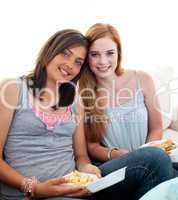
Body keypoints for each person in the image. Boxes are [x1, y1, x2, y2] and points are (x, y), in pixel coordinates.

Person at [0, 29, 100, 200]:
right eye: (65, 54)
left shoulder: (76, 100)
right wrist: (35, 188)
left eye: (78, 62)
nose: (70, 65)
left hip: (72, 190)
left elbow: (81, 156)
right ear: (50, 51)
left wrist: (87, 169)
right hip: (27, 194)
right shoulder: (13, 88)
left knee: (151, 159)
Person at [78, 23, 174, 199]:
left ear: (118, 53)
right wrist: (115, 153)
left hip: (150, 158)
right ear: (86, 57)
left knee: (166, 168)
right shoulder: (83, 93)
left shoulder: (142, 79)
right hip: (111, 165)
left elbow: (156, 128)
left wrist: (146, 151)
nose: (103, 61)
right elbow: (91, 146)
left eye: (109, 53)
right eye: (94, 55)